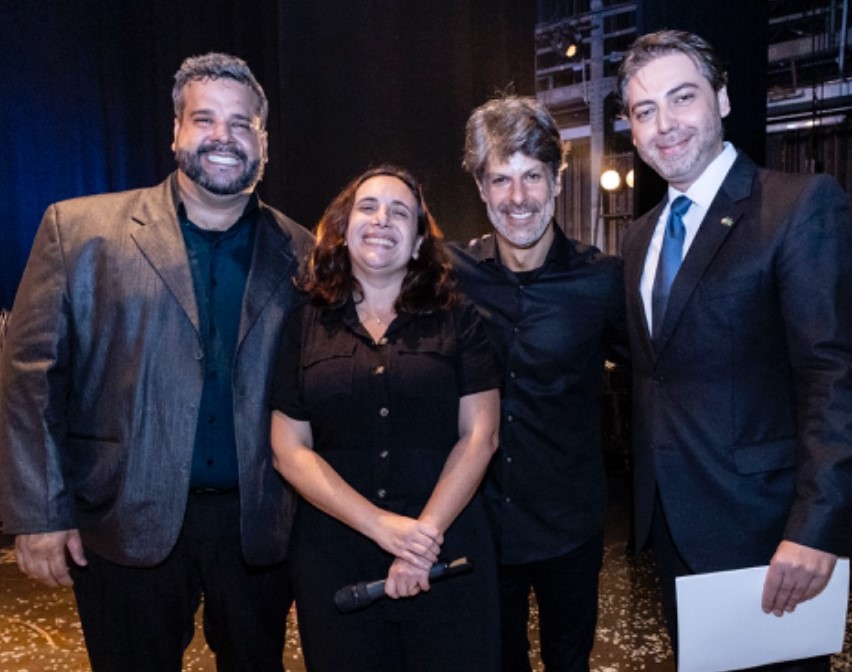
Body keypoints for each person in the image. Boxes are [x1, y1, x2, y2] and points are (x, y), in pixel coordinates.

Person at [0, 52, 313, 671]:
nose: (224, 136)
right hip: (122, 519)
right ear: (175, 131)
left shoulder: (302, 251)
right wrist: (38, 514)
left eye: (241, 123)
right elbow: (30, 378)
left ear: (264, 142)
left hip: (258, 528)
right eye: (205, 119)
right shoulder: (78, 232)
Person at [618, 29, 852, 671]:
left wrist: (816, 530)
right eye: (644, 111)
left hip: (771, 536)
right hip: (673, 529)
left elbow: (836, 377)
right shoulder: (641, 235)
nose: (664, 124)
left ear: (723, 99)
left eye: (682, 98)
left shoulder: (797, 206)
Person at [269, 164, 502, 672]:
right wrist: (380, 527)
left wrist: (419, 543)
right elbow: (289, 449)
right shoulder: (303, 322)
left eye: (401, 212)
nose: (382, 220)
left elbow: (480, 436)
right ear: (343, 228)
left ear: (419, 241)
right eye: (368, 207)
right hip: (335, 556)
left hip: (446, 551)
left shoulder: (459, 319)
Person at [447, 95, 628, 672]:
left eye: (531, 176)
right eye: (500, 179)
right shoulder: (451, 276)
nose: (517, 198)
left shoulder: (602, 282)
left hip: (569, 525)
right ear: (480, 187)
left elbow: (662, 379)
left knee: (568, 662)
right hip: (479, 524)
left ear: (557, 179)